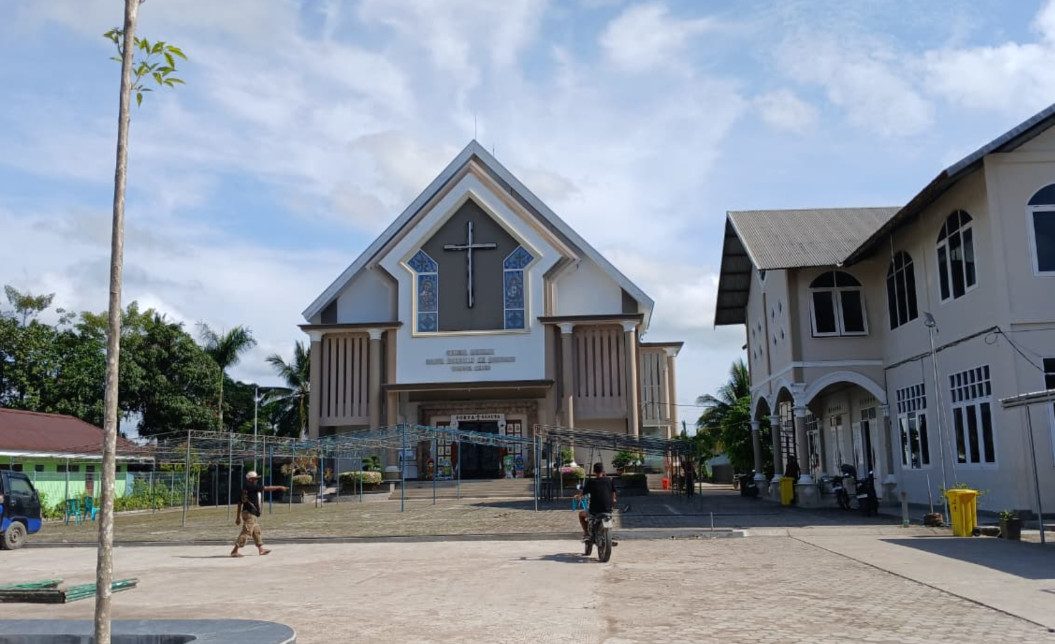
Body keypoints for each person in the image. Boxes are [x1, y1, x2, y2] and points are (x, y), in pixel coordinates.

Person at [230, 471, 287, 558]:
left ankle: (261, 550)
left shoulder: (243, 488)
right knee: (246, 532)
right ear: (250, 479)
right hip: (250, 514)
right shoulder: (252, 487)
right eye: (255, 479)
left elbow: (239, 503)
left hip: (247, 513)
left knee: (256, 531)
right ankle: (234, 551)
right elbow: (267, 488)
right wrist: (280, 487)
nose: (256, 480)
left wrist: (238, 517)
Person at [575, 462, 617, 542]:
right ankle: (608, 535)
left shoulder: (591, 481)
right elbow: (613, 493)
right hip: (608, 509)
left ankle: (586, 534)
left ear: (594, 471)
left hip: (594, 510)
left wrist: (578, 496)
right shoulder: (609, 480)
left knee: (581, 514)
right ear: (603, 471)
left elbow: (583, 493)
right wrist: (613, 501)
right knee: (610, 518)